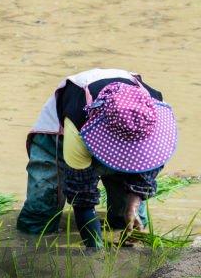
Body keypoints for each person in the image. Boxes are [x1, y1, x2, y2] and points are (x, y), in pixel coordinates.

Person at [16, 69, 177, 247]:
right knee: (39, 217)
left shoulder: (150, 115)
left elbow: (149, 167)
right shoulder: (78, 125)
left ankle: (121, 220)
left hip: (124, 131)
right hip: (60, 137)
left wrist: (132, 208)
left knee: (127, 223)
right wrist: (94, 249)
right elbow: (82, 194)